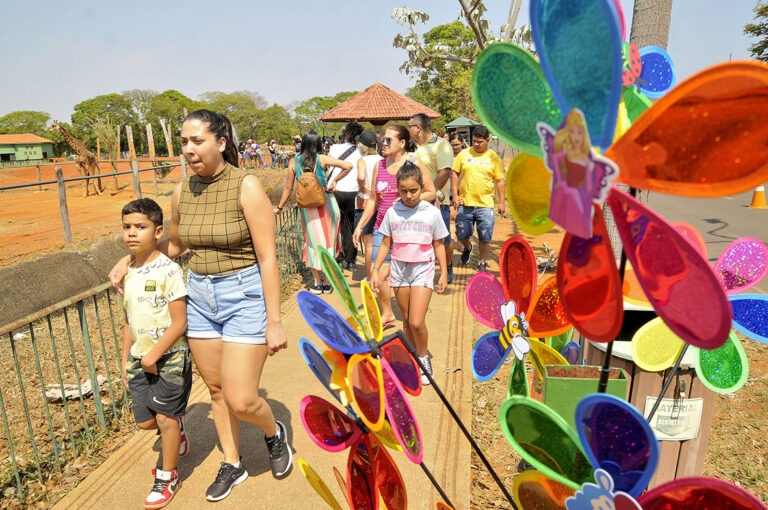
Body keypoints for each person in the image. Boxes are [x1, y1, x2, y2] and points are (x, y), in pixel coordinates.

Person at [109, 110, 291, 503]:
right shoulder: (182, 191)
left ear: (221, 143)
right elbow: (175, 245)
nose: (188, 149)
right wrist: (131, 258)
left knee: (242, 398)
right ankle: (232, 461)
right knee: (218, 391)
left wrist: (274, 320)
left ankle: (274, 432)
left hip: (244, 295)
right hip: (200, 296)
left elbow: (267, 258)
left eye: (197, 141)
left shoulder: (246, 186)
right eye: (184, 142)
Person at [120, 198, 190, 510]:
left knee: (165, 417)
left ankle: (167, 476)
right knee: (146, 423)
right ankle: (177, 428)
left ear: (158, 231)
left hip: (171, 357)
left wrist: (154, 355)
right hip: (139, 359)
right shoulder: (127, 272)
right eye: (127, 227)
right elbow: (129, 320)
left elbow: (180, 322)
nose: (132, 233)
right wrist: (127, 358)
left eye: (140, 226)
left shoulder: (168, 270)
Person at [353, 124, 436, 329]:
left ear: (402, 143)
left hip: (409, 232)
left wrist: (406, 200)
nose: (384, 143)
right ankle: (388, 313)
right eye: (383, 139)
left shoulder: (413, 164)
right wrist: (360, 226)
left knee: (408, 276)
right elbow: (373, 200)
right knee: (378, 274)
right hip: (382, 230)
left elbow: (430, 192)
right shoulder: (379, 166)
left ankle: (413, 313)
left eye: (389, 140)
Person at [372, 162, 448, 385]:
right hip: (399, 270)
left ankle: (423, 359)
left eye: (413, 190)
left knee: (416, 321)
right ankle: (412, 359)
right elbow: (386, 244)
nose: (409, 196)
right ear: (398, 190)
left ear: (421, 187)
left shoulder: (432, 213)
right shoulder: (393, 212)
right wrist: (375, 270)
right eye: (403, 191)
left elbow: (439, 244)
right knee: (405, 320)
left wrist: (443, 273)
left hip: (423, 269)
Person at [275, 131, 353, 293]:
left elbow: (288, 188)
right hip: (326, 204)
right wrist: (334, 181)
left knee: (312, 243)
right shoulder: (322, 159)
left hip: (307, 208)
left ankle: (317, 283)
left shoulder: (293, 162)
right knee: (329, 243)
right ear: (318, 144)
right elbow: (348, 166)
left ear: (303, 143)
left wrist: (280, 207)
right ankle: (328, 282)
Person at [451, 125, 506, 273]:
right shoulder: (464, 154)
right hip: (465, 203)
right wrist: (455, 195)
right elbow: (455, 173)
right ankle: (468, 247)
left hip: (485, 205)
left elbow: (500, 181)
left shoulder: (494, 158)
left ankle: (482, 261)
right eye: (474, 141)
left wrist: (501, 202)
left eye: (480, 141)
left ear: (488, 140)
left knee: (484, 235)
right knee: (461, 233)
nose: (476, 144)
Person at [410, 113, 455, 284]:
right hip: (417, 202)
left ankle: (447, 267)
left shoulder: (441, 145)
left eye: (410, 126)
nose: (408, 130)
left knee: (443, 239)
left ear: (418, 128)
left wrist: (431, 194)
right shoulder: (414, 147)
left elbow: (445, 172)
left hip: (438, 203)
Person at [327, 122, 363, 270]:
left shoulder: (335, 148)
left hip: (336, 190)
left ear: (347, 133)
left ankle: (340, 257)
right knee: (352, 225)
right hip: (354, 191)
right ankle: (351, 259)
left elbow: (329, 165)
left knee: (338, 225)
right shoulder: (361, 151)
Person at [354, 130, 383, 283]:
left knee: (368, 244)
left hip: (365, 201)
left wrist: (361, 186)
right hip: (380, 202)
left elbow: (360, 176)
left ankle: (371, 276)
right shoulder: (382, 160)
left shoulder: (362, 160)